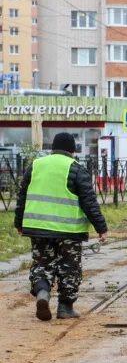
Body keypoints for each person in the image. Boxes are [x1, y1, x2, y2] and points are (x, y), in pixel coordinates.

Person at [14, 133, 108, 321]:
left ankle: (42, 293)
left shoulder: (36, 166)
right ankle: (65, 308)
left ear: (52, 148)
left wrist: (19, 223)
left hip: (38, 227)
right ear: (73, 150)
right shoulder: (76, 169)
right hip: (69, 231)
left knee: (42, 264)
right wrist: (101, 227)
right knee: (69, 268)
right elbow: (89, 202)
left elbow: (22, 197)